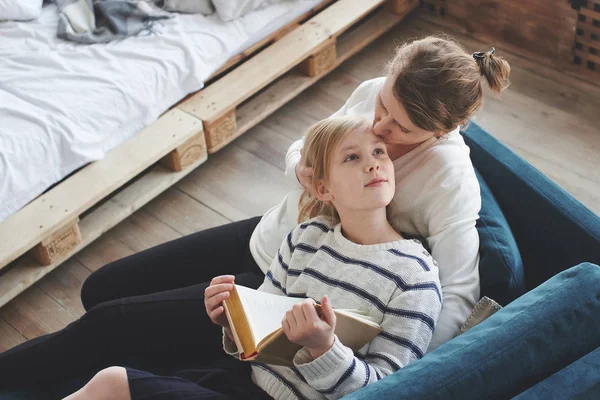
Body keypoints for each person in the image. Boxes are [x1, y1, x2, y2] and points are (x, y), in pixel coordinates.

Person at [0, 35, 510, 388]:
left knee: (109, 323)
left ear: (441, 132)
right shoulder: (376, 93)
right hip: (278, 237)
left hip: (294, 288)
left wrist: (411, 381)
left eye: (396, 128)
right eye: (381, 107)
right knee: (100, 286)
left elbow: (459, 292)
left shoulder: (450, 181)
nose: (376, 127)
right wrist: (304, 171)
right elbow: (307, 147)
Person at [64, 116, 442, 400]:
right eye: (352, 157)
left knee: (113, 383)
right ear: (323, 188)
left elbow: (391, 391)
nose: (374, 163)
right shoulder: (306, 237)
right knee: (118, 369)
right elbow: (259, 339)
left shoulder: (415, 275)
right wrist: (231, 321)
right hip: (239, 382)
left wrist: (324, 347)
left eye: (379, 153)